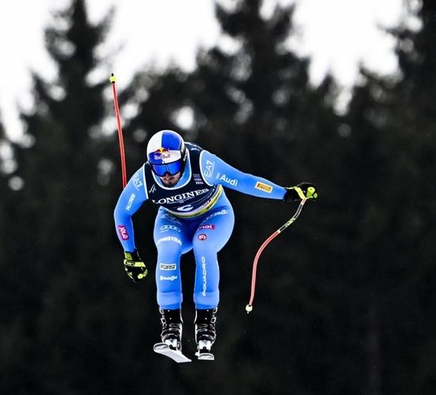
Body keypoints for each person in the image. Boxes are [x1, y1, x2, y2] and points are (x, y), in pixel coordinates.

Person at [113, 129, 317, 363]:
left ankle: (205, 324)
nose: (167, 175)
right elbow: (121, 213)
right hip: (173, 220)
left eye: (171, 167)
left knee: (203, 246)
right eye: (160, 168)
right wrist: (130, 253)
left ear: (183, 158)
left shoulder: (203, 164)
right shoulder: (144, 179)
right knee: (167, 249)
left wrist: (286, 194)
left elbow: (243, 180)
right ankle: (170, 326)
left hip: (214, 215)